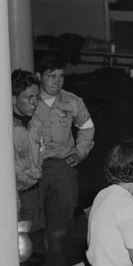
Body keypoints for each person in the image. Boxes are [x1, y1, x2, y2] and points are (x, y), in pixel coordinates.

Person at [32, 55, 95, 243]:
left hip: (62, 166)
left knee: (63, 218)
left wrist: (80, 153)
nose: (57, 81)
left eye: (61, 76)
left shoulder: (72, 101)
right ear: (38, 76)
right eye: (51, 76)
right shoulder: (29, 101)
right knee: (34, 217)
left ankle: (60, 260)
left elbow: (87, 127)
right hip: (34, 168)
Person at [11, 69, 45, 234]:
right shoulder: (7, 129)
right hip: (17, 196)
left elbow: (41, 155)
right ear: (13, 99)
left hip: (35, 194)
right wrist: (34, 175)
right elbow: (13, 169)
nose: (35, 103)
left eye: (36, 97)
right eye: (28, 97)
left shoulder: (36, 124)